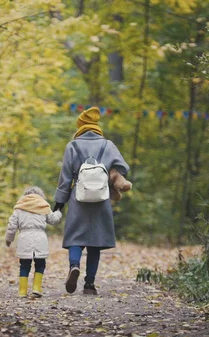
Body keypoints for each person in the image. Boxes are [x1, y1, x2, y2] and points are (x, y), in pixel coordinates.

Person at [53, 107, 130, 295]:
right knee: (96, 241)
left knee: (75, 238)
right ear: (96, 126)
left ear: (80, 126)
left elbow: (65, 178)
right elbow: (123, 168)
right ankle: (89, 285)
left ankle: (74, 266)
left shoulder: (73, 146)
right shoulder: (108, 145)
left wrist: (59, 203)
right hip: (101, 199)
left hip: (79, 198)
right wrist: (110, 173)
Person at [5, 186, 63, 298]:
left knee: (24, 265)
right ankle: (36, 288)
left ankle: (22, 291)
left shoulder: (19, 207)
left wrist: (9, 239)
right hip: (40, 237)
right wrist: (58, 212)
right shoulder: (43, 206)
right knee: (40, 264)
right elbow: (53, 220)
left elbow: (12, 226)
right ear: (40, 195)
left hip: (24, 238)